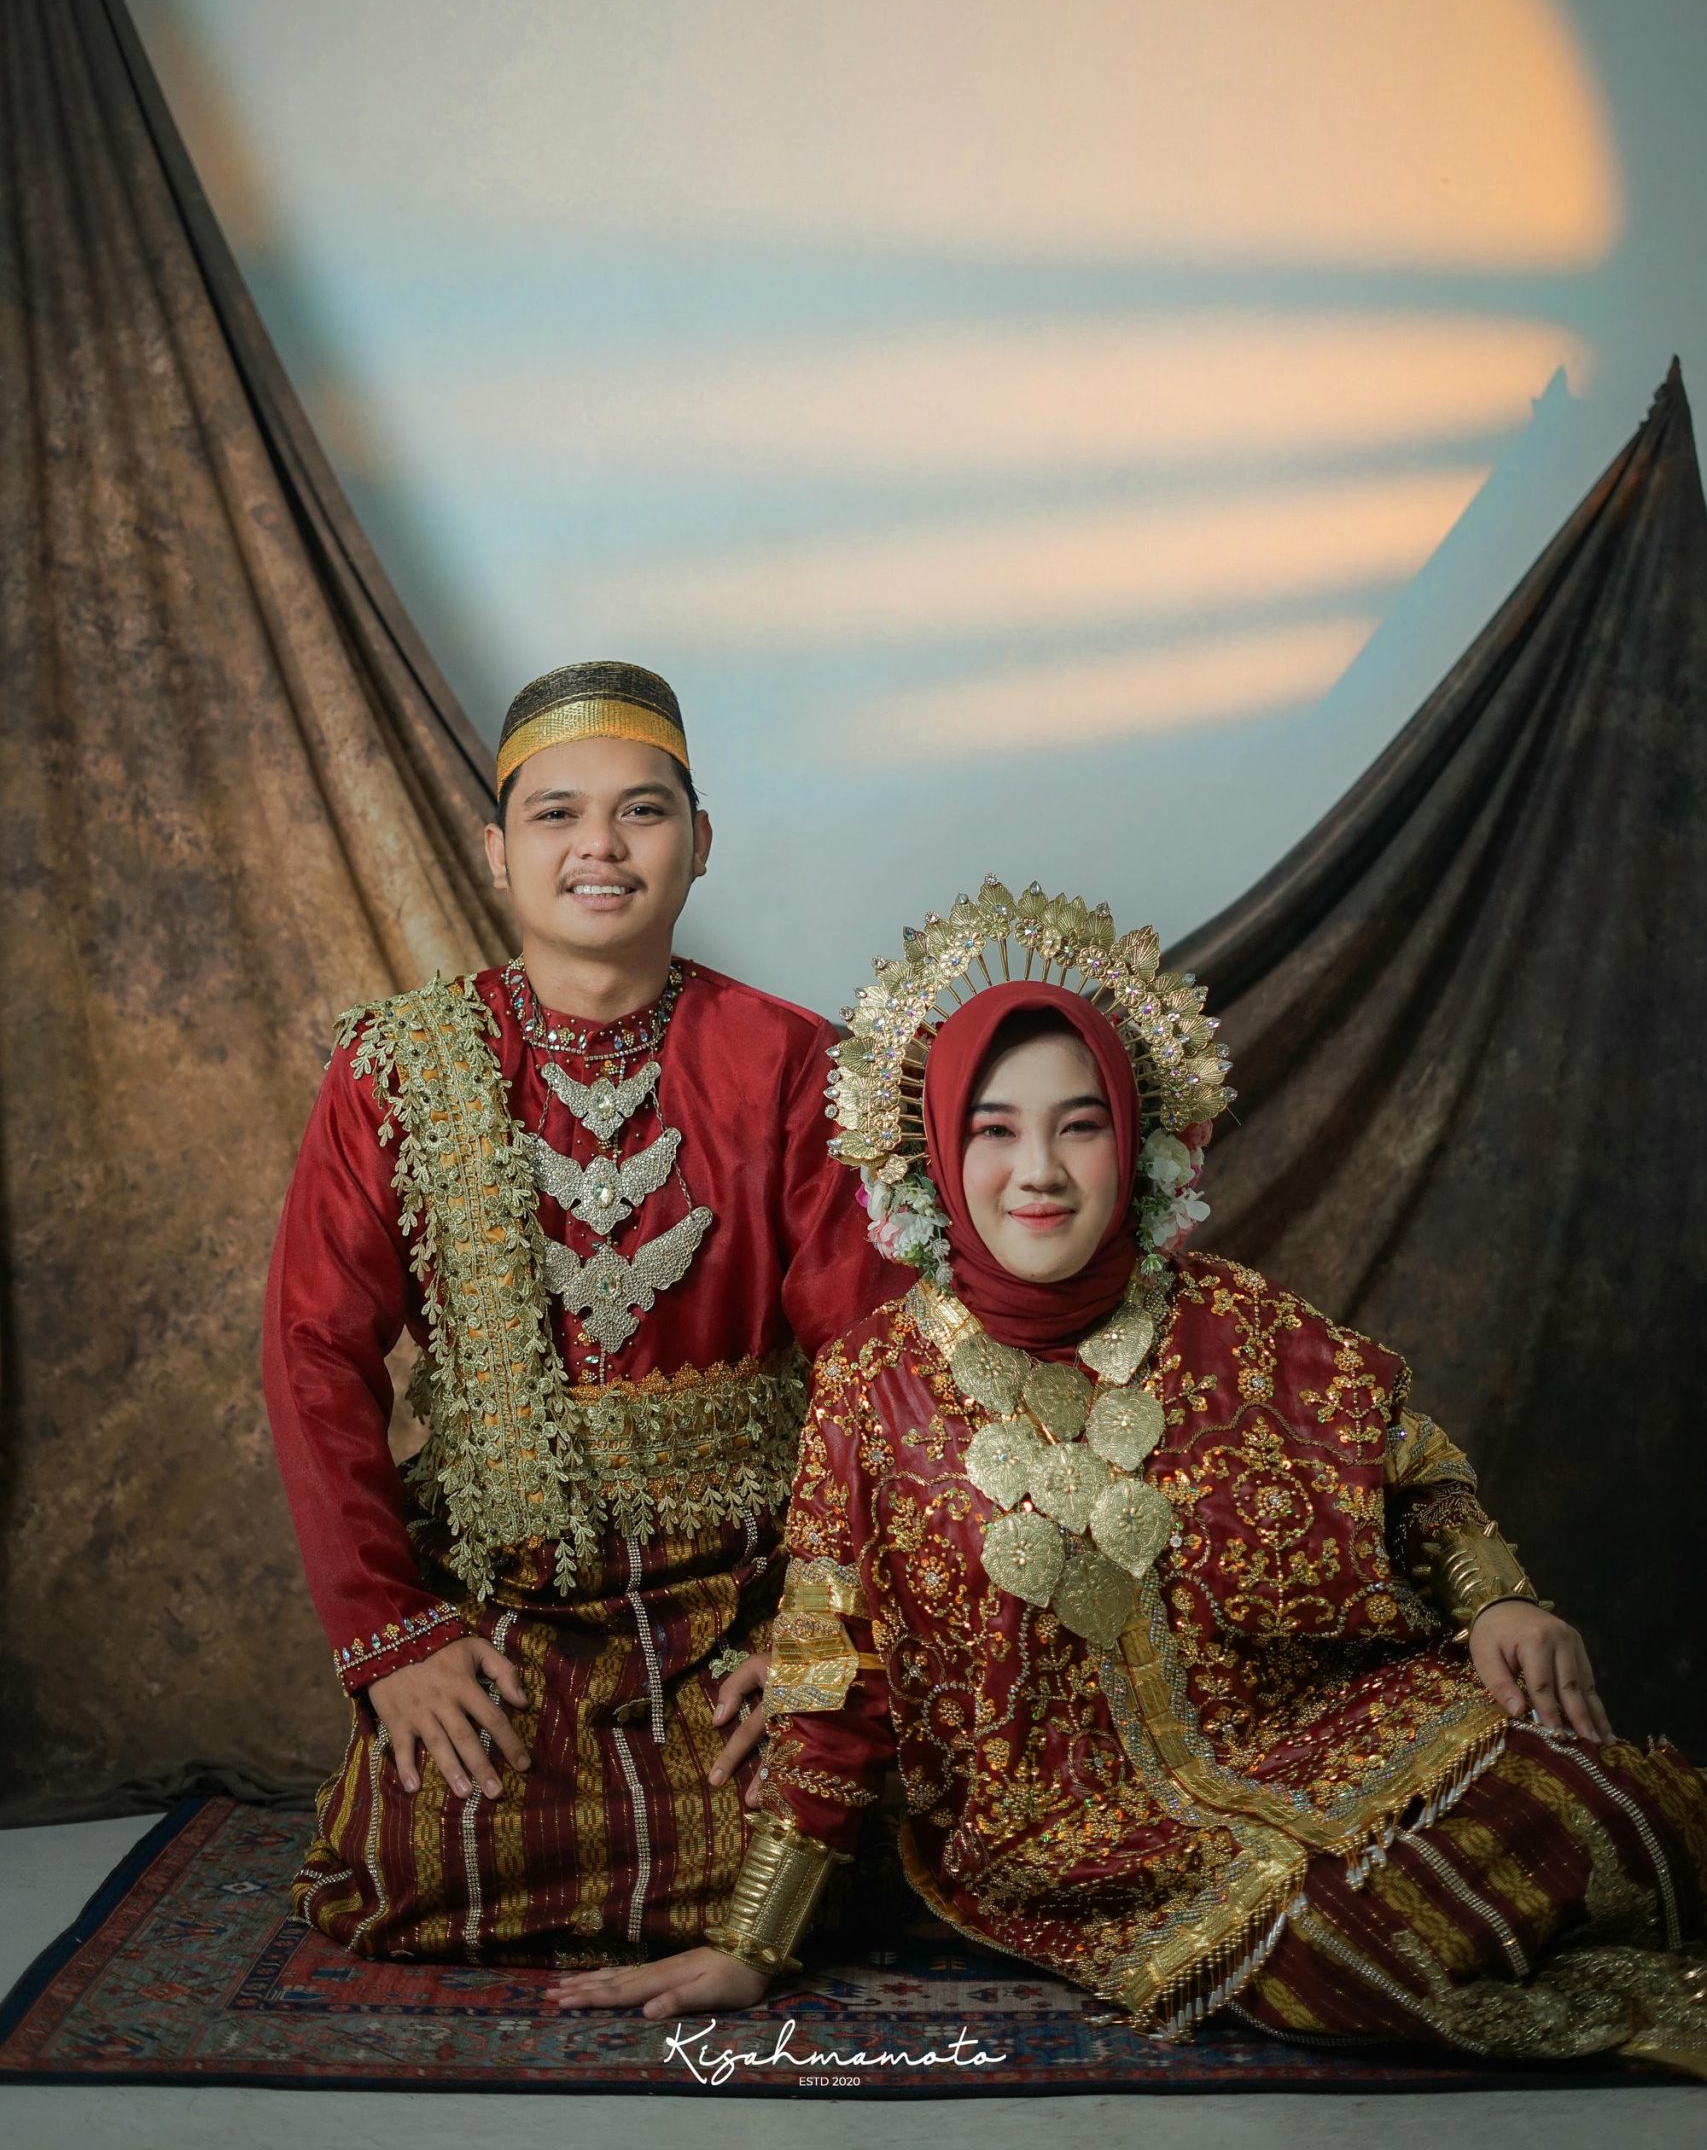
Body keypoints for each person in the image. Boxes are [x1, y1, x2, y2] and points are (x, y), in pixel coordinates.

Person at [551, 881, 1707, 2072]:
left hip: (1329, 1731)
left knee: (1616, 1808)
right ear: (934, 1152)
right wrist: (754, 1941)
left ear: (1138, 1140)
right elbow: (828, 1673)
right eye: (994, 1131)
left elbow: (1406, 1466)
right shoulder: (873, 1384)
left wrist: (1499, 1598)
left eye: (1079, 1126)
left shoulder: (1229, 1318)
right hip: (1082, 1837)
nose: (1039, 1171)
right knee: (1356, 1941)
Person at [263, 660, 901, 1960]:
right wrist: (391, 1638)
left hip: (746, 1589)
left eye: (641, 811)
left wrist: (824, 1635)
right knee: (413, 1862)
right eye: (556, 813)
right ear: (496, 852)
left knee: (849, 1830)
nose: (599, 846)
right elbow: (313, 1350)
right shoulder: (396, 1068)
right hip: (508, 1602)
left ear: (699, 843)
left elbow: (881, 1368)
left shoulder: (792, 1063)